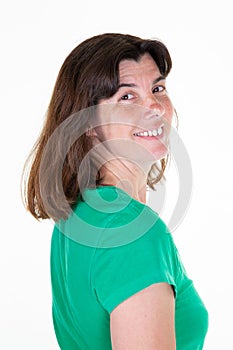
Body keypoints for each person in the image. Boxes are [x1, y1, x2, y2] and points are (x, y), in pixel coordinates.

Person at [23, 33, 208, 349]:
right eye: (127, 97)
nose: (153, 105)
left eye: (157, 89)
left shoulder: (80, 217)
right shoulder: (132, 230)